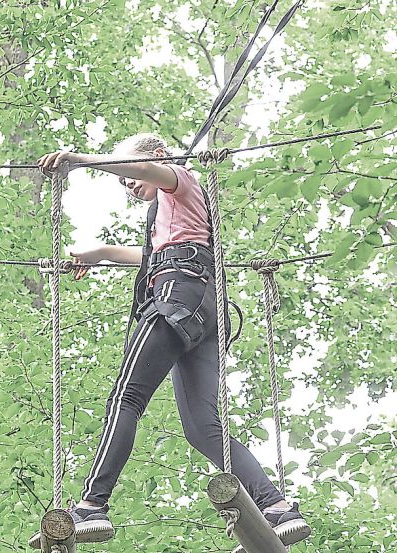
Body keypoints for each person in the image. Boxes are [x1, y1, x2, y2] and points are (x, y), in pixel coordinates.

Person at [37, 133, 310, 549]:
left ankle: (93, 503)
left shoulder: (179, 177)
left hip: (174, 299)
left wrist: (83, 160)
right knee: (203, 428)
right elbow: (155, 253)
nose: (127, 183)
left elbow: (145, 172)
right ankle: (276, 507)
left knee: (125, 399)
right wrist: (104, 252)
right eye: (122, 179)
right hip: (203, 308)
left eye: (127, 171)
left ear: (159, 157)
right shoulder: (174, 213)